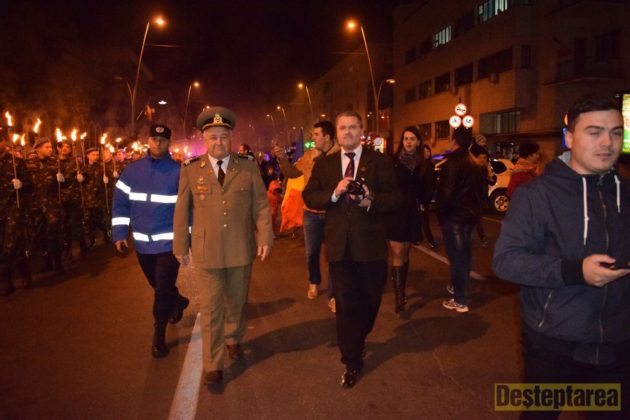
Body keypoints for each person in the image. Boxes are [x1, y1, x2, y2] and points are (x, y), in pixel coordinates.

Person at [493, 94, 630, 418]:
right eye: (594, 132)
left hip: (617, 344)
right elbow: (506, 261)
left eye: (615, 132)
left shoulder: (626, 192)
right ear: (569, 138)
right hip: (554, 342)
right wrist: (574, 271)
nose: (607, 142)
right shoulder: (537, 194)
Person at [173, 107, 273, 387]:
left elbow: (260, 205)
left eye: (224, 137)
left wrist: (265, 237)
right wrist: (180, 245)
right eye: (213, 137)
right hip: (207, 251)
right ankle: (213, 364)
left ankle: (233, 337)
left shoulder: (248, 166)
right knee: (211, 309)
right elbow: (182, 209)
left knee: (237, 302)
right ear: (204, 139)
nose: (219, 142)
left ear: (231, 138)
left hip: (240, 247)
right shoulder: (191, 169)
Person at [303, 110, 402, 388]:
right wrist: (334, 193)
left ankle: (359, 336)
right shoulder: (325, 165)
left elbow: (396, 198)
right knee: (346, 304)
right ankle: (352, 361)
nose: (347, 132)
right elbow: (309, 196)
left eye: (353, 127)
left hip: (370, 246)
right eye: (343, 127)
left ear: (362, 131)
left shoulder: (379, 161)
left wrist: (370, 199)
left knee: (370, 300)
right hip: (339, 247)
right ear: (336, 133)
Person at [112, 124, 188, 358]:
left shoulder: (179, 172)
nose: (158, 143)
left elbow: (189, 209)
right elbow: (120, 204)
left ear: (169, 143)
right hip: (143, 244)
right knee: (157, 285)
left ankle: (159, 335)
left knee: (162, 290)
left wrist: (188, 240)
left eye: (162, 140)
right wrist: (119, 233)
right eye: (154, 139)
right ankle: (178, 301)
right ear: (148, 141)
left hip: (169, 244)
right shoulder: (132, 171)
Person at [275, 120, 340, 309]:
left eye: (316, 135)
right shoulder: (308, 156)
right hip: (311, 213)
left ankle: (334, 294)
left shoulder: (340, 156)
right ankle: (314, 281)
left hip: (333, 213)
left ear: (327, 137)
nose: (313, 138)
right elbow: (292, 173)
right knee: (312, 252)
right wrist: (281, 158)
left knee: (334, 254)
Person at [382, 127, 432, 316]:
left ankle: (401, 285)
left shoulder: (423, 164)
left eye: (412, 139)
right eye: (405, 138)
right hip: (394, 212)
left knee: (405, 253)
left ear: (418, 142)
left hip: (412, 214)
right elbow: (385, 185)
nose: (408, 142)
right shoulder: (393, 162)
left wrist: (423, 204)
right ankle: (400, 298)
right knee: (396, 251)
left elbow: (428, 189)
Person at [435, 126, 485, 313]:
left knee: (457, 258)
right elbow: (482, 193)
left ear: (453, 140)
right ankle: (458, 288)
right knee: (465, 255)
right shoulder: (476, 163)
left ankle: (460, 299)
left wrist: (441, 214)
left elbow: (446, 193)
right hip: (471, 217)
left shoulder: (452, 163)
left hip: (455, 216)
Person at [25, 137, 66, 274]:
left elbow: (63, 183)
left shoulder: (54, 161)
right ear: (38, 148)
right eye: (47, 147)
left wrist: (62, 179)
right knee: (40, 233)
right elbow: (26, 183)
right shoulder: (28, 163)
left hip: (51, 203)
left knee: (55, 231)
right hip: (36, 204)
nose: (50, 149)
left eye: (50, 147)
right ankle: (47, 262)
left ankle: (58, 263)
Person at [0, 133, 32, 294]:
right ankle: (11, 278)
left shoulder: (16, 163)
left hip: (13, 207)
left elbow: (30, 185)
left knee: (11, 243)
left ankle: (10, 277)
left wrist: (22, 184)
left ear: (3, 142)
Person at [56, 139, 88, 257]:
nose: (65, 149)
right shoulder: (54, 162)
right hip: (59, 198)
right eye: (63, 146)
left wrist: (82, 177)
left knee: (76, 222)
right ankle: (67, 247)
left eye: (68, 147)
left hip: (74, 196)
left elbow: (85, 175)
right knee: (63, 224)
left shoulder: (75, 162)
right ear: (58, 148)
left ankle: (82, 245)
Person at [470, 143, 496, 248]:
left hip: (481, 198)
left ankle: (471, 238)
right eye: (480, 157)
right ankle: (482, 238)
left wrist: (490, 173)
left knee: (475, 219)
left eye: (484, 158)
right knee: (477, 219)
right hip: (473, 198)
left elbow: (492, 182)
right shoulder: (473, 169)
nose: (482, 159)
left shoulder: (485, 169)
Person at [419, 144, 437, 248]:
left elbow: (433, 182)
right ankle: (430, 240)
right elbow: (419, 184)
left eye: (428, 151)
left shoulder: (430, 165)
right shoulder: (419, 166)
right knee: (423, 219)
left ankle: (422, 237)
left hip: (427, 197)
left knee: (423, 218)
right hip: (421, 197)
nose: (427, 153)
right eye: (424, 152)